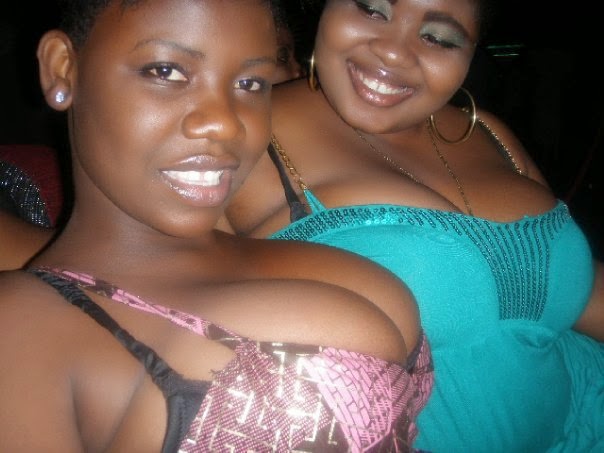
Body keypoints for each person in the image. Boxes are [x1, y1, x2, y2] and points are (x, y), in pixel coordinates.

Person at [0, 0, 434, 451]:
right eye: (166, 71)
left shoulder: (285, 250)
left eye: (250, 83)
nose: (225, 123)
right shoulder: (21, 326)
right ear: (62, 69)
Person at [225, 0, 604, 451]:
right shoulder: (236, 135)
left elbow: (576, 296)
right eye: (372, 10)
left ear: (472, 51)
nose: (394, 51)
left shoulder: (488, 132)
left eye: (438, 38)